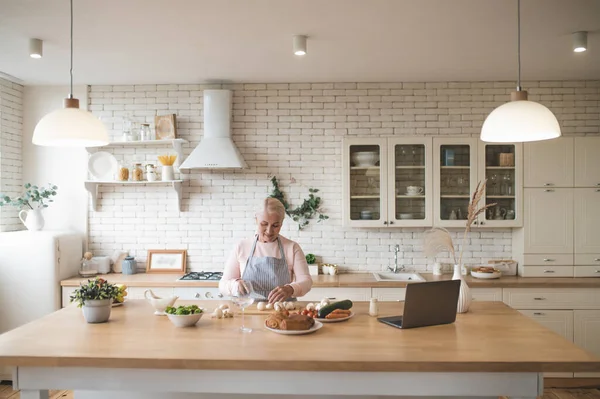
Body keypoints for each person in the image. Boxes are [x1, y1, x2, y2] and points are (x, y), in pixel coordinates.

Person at [219, 197, 312, 303]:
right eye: (264, 224)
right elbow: (223, 285)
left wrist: (290, 289)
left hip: (283, 312)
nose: (269, 231)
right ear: (256, 220)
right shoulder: (241, 246)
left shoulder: (292, 247)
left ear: (281, 223)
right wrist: (235, 285)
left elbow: (306, 281)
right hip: (249, 311)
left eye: (275, 225)